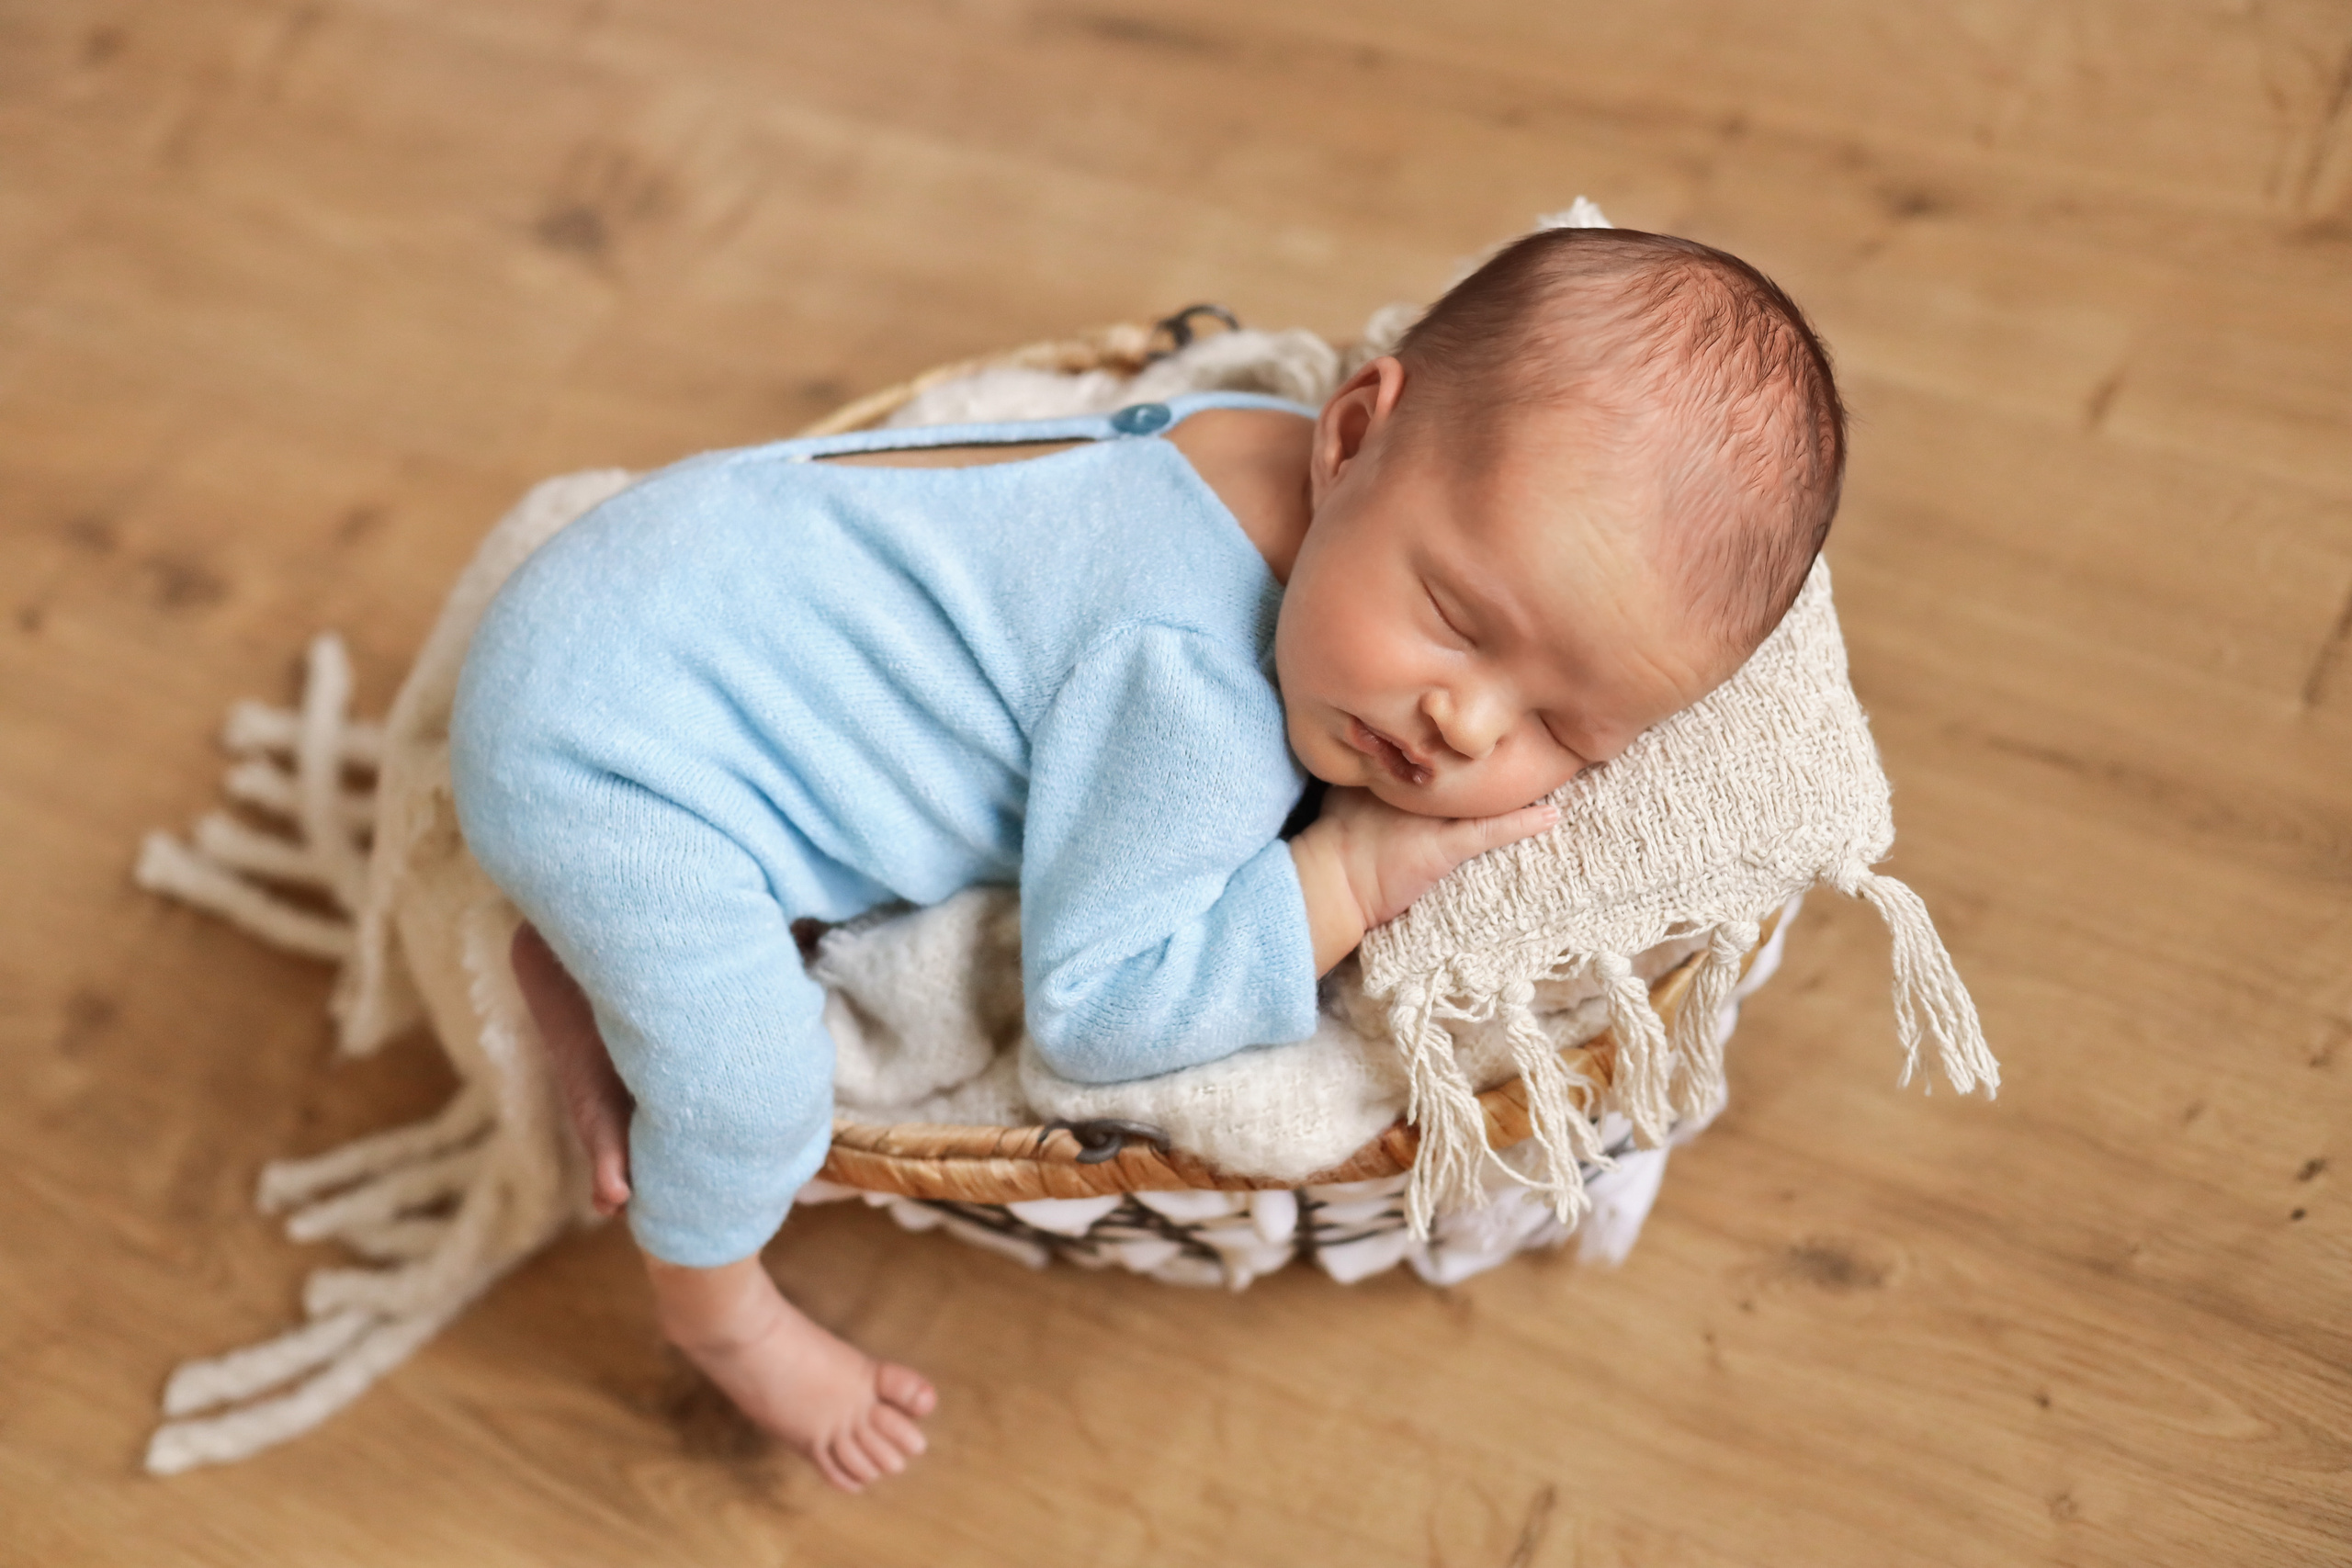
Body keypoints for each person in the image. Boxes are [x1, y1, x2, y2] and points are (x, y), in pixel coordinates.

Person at [450, 226, 1847, 1492]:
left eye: (1564, 726)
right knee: (760, 1088)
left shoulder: (1262, 435)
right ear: (1354, 434)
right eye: (1454, 616)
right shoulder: (1193, 695)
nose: (1463, 724)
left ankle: (586, 956)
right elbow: (1100, 1012)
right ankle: (724, 1319)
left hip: (629, 589)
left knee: (702, 936)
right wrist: (1347, 882)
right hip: (619, 763)